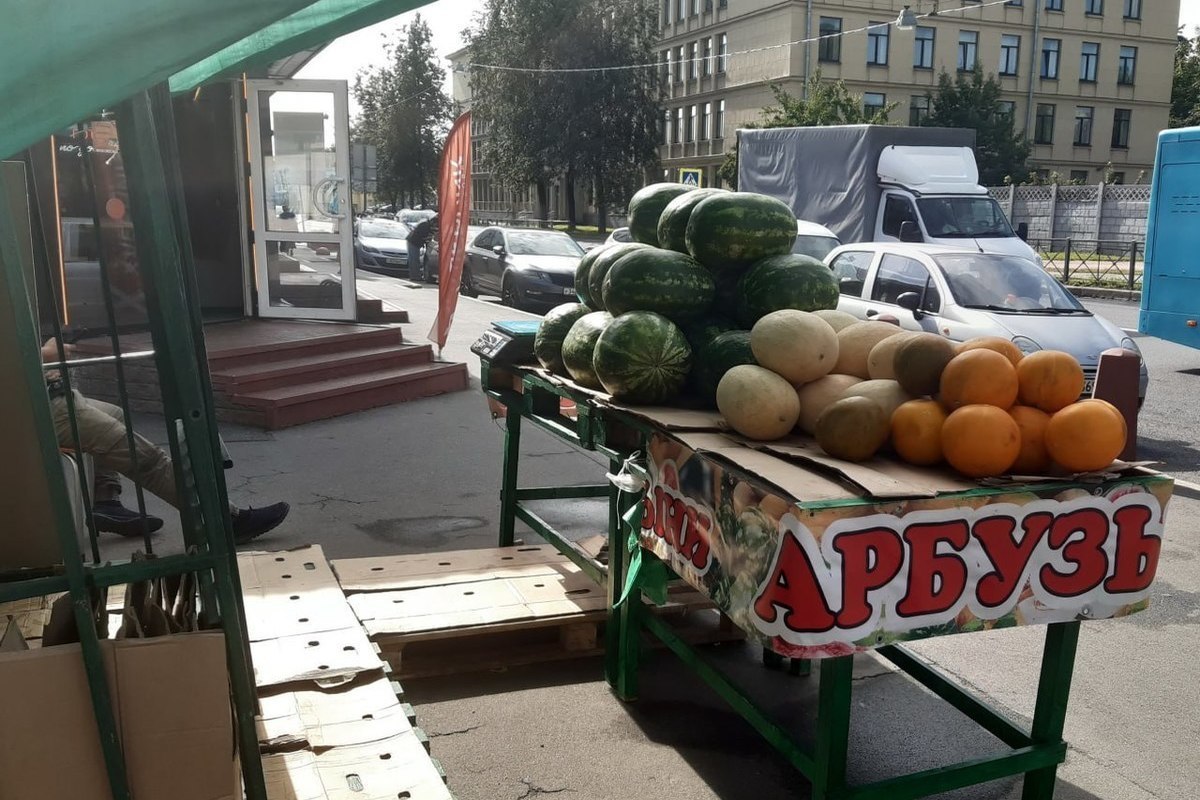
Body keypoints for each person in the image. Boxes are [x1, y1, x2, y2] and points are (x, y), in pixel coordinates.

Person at [42, 341, 289, 544]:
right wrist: (43, 356)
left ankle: (106, 502)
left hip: (52, 396)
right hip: (48, 408)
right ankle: (223, 520)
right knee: (147, 460)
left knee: (114, 413)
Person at [406, 212, 439, 283]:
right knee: (414, 259)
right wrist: (428, 241)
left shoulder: (426, 224)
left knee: (414, 259)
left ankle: (415, 276)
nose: (436, 227)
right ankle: (415, 277)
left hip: (414, 242)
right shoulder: (425, 226)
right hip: (413, 242)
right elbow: (424, 237)